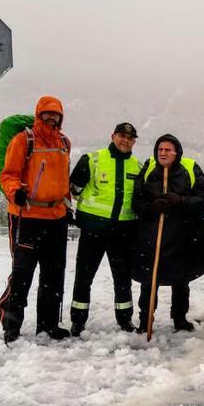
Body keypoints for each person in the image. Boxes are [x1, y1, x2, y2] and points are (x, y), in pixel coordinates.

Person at [0, 96, 72, 343]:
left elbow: (63, 179)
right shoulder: (23, 140)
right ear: (38, 115)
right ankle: (11, 325)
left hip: (56, 217)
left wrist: (67, 204)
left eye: (56, 114)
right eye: (47, 114)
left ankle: (48, 325)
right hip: (27, 216)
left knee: (53, 274)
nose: (52, 118)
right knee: (22, 273)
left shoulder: (64, 142)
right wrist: (14, 191)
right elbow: (8, 174)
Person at [68, 123, 143, 336]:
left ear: (134, 141)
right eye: (121, 136)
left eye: (130, 138)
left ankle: (125, 319)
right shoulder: (92, 160)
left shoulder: (137, 167)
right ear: (113, 136)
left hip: (122, 233)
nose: (125, 140)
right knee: (84, 276)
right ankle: (78, 320)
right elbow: (74, 189)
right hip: (94, 231)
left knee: (122, 278)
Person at [132, 134, 204, 333]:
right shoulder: (149, 168)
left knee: (180, 278)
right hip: (153, 235)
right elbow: (136, 201)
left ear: (177, 152)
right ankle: (146, 319)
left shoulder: (191, 168)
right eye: (160, 149)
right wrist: (152, 207)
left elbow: (202, 201)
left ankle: (179, 317)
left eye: (168, 149)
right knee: (150, 280)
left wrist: (180, 200)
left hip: (182, 234)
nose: (163, 153)